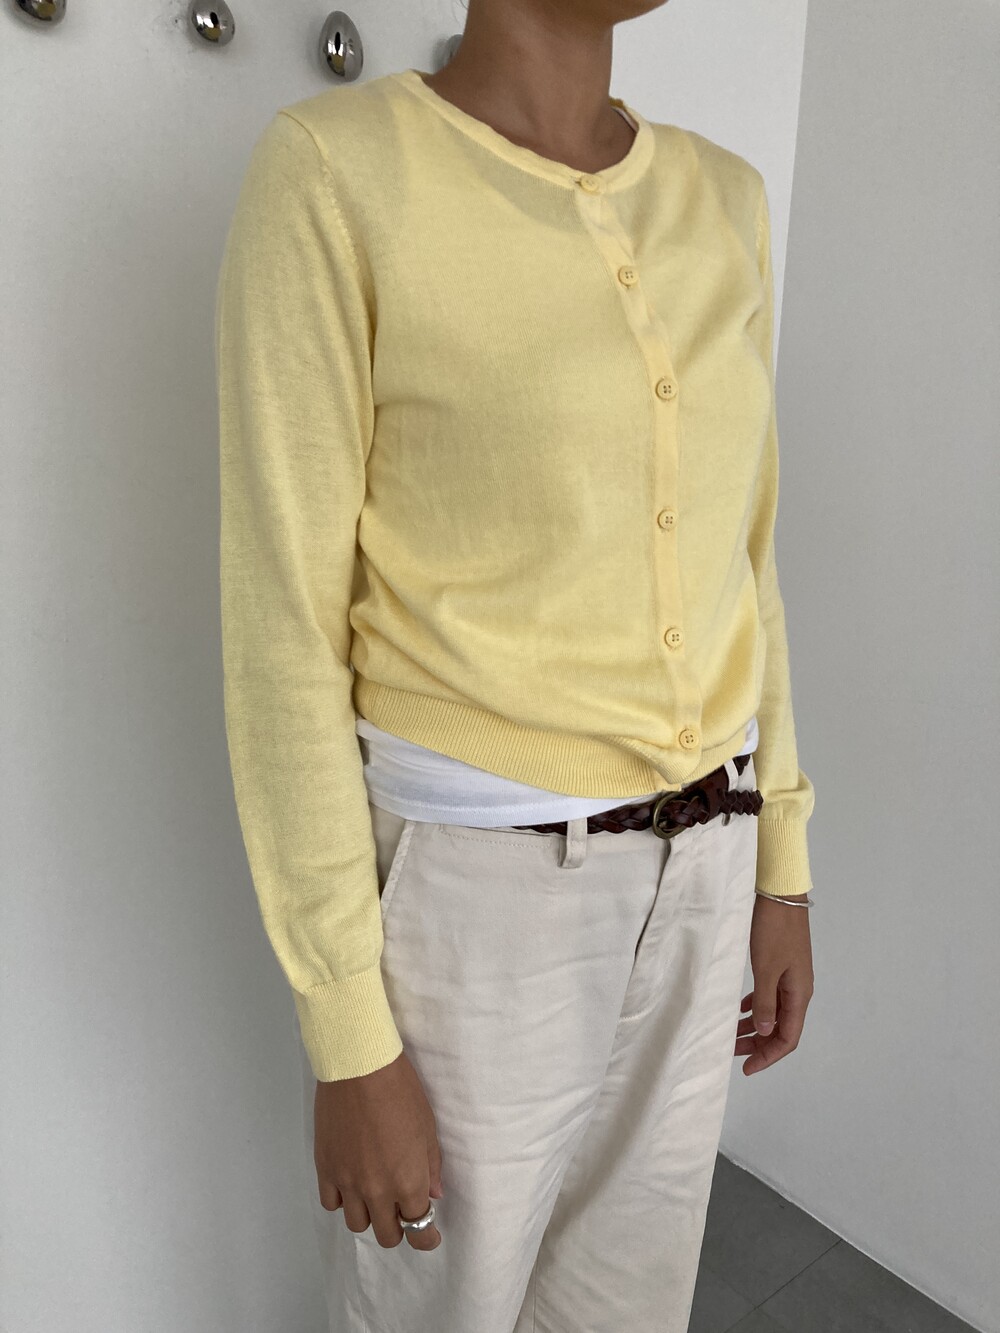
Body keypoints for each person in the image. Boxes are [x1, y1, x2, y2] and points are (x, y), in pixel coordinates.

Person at [214, 1, 817, 1328]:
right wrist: (347, 1032)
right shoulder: (337, 173)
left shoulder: (724, 199)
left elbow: (748, 561)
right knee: (438, 1309)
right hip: (481, 907)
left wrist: (781, 862)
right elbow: (281, 631)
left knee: (628, 1307)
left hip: (706, 863)